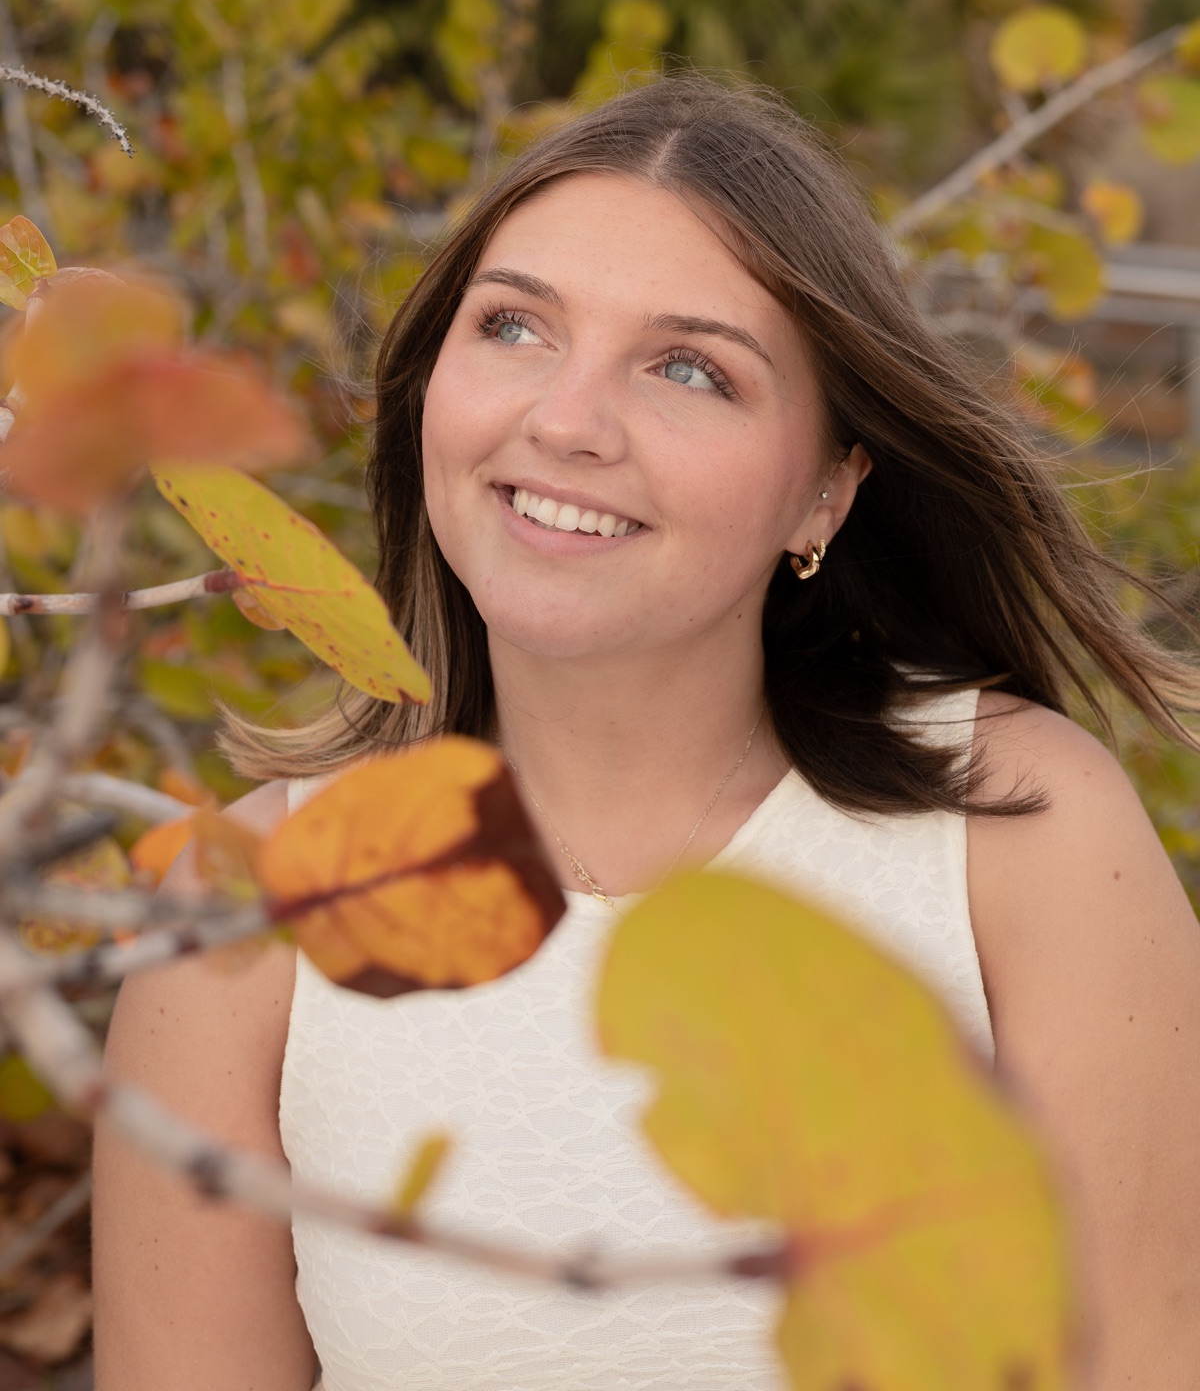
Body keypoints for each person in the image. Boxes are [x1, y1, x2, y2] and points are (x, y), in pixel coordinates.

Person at [93, 77, 1200, 1390]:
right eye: (513, 326)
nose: (564, 421)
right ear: (429, 387)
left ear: (825, 495)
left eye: (689, 368)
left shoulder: (1021, 839)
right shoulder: (241, 927)